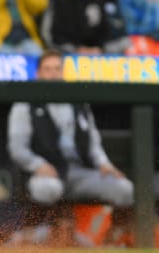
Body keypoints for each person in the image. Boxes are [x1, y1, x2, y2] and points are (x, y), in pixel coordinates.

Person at [7, 49, 133, 241]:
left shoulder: (77, 101)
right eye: (48, 69)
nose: (53, 74)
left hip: (78, 172)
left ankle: (115, 239)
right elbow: (18, 148)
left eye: (57, 69)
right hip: (46, 173)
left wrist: (104, 164)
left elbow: (93, 142)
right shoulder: (25, 103)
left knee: (124, 188)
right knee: (48, 189)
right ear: (38, 74)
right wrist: (37, 165)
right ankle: (38, 235)